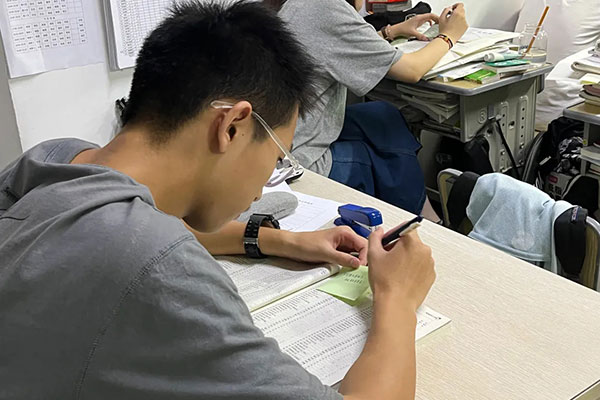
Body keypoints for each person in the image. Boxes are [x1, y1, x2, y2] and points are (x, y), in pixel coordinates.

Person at [0, 1, 435, 399]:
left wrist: (279, 240)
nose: (264, 184)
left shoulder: (55, 159)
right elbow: (146, 251)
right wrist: (397, 299)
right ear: (232, 127)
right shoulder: (160, 268)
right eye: (277, 157)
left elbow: (126, 230)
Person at [264, 0, 469, 221]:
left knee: (382, 116)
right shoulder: (323, 7)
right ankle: (420, 223)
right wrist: (449, 36)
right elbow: (412, 69)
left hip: (268, 138)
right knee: (386, 160)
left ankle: (424, 211)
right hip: (292, 165)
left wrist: (391, 32)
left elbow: (328, 41)